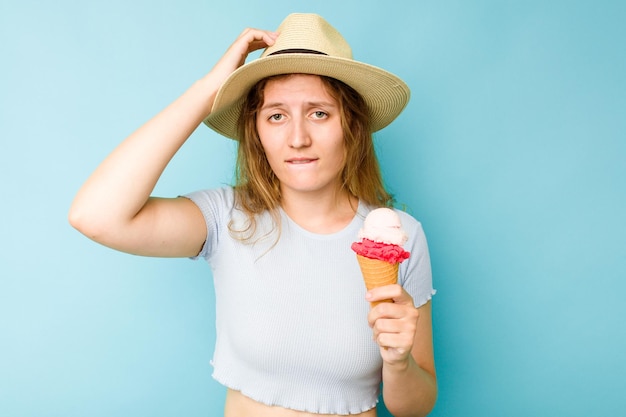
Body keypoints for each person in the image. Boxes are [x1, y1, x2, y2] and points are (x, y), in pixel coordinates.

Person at [69, 13, 437, 417]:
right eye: (276, 115)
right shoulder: (225, 218)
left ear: (351, 125)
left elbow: (414, 408)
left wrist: (399, 361)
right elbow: (95, 215)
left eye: (319, 113)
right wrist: (210, 88)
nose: (298, 138)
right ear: (257, 132)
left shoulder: (400, 237)